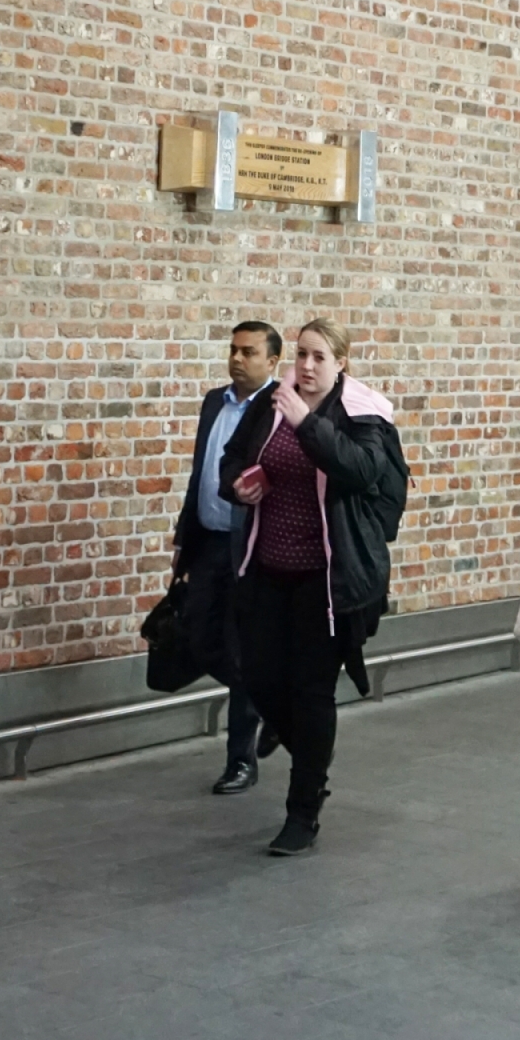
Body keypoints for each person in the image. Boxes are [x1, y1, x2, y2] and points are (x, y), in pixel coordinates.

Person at [218, 318, 406, 857]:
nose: (306, 366)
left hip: (328, 581)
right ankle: (308, 759)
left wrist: (306, 424)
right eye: (301, 355)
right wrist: (239, 484)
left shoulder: (362, 412)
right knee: (255, 674)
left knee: (311, 691)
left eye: (319, 357)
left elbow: (360, 470)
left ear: (341, 363)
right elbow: (233, 457)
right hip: (267, 567)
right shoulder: (271, 402)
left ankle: (303, 812)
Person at [170, 321, 277, 793]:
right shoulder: (215, 401)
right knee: (198, 637)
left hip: (252, 548)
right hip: (210, 542)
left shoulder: (278, 411)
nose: (237, 359)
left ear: (272, 362)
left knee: (242, 648)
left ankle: (241, 760)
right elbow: (201, 473)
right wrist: (183, 541)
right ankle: (273, 703)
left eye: (249, 352)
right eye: (234, 350)